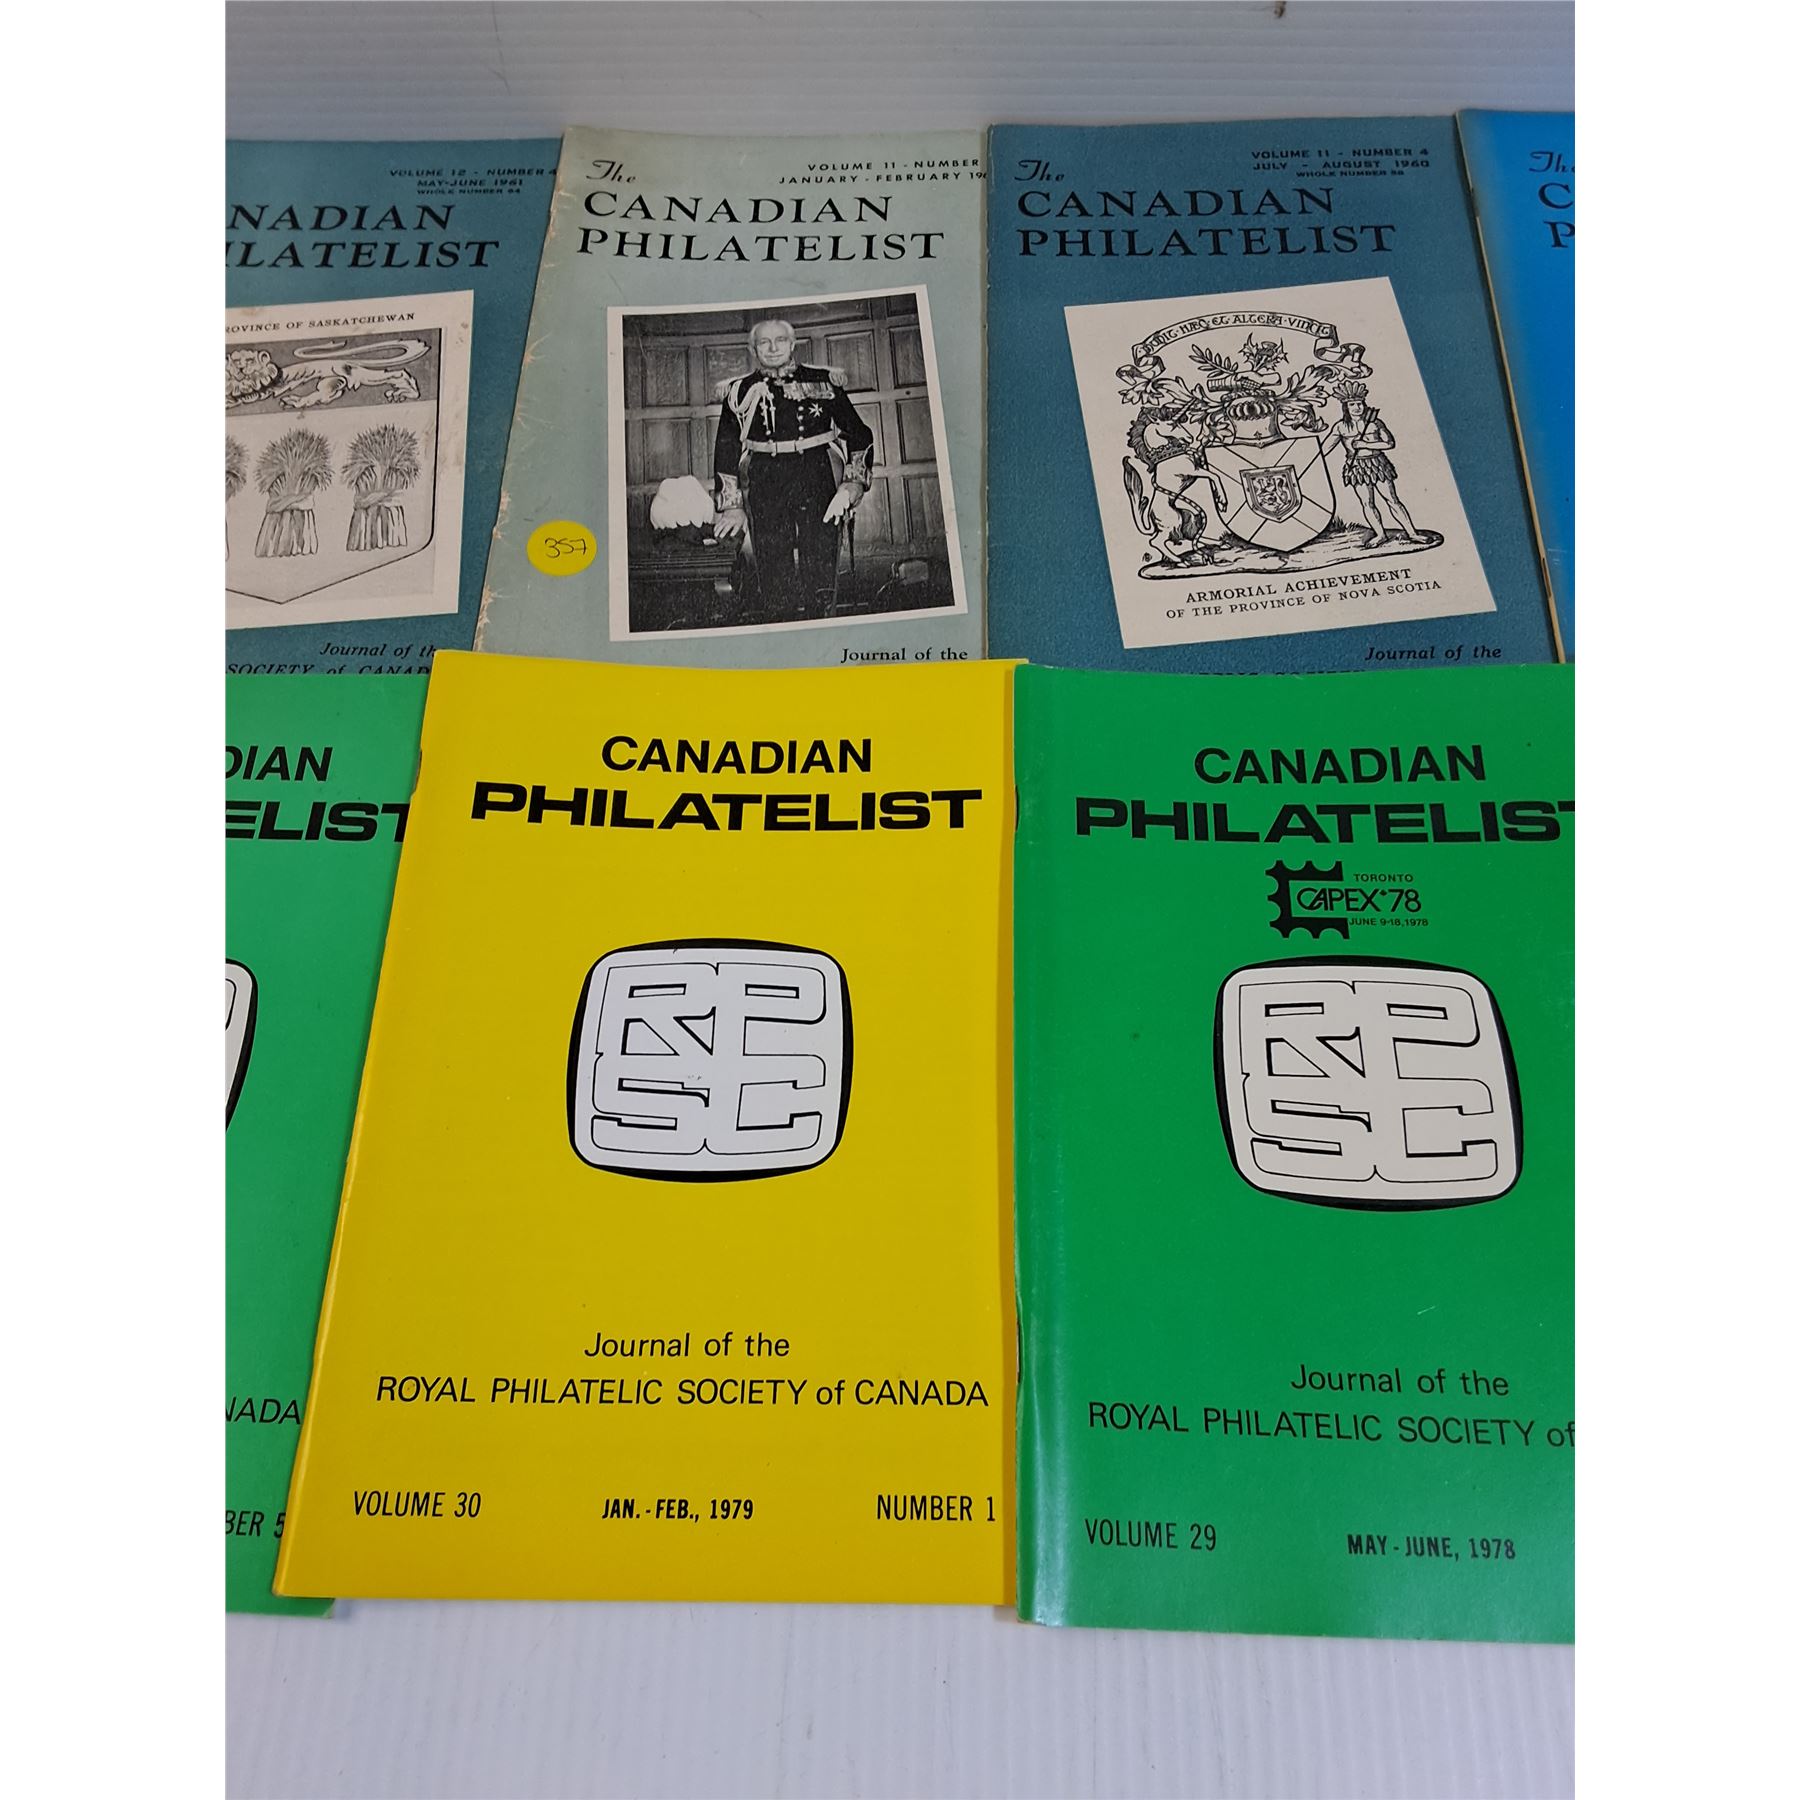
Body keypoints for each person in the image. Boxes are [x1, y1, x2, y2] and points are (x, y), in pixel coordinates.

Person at [713, 318, 875, 618]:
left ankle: (820, 623)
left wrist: (852, 483)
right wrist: (732, 506)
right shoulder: (739, 391)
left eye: (780, 340)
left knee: (821, 559)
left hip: (816, 474)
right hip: (765, 478)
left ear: (792, 344)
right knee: (773, 566)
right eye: (764, 342)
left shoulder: (823, 381)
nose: (773, 348)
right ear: (753, 349)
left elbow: (859, 434)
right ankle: (782, 624)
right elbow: (726, 448)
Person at [1326, 383, 1427, 546]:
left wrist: (1366, 445)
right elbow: (1326, 448)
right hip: (1356, 467)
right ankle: (1380, 534)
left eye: (1359, 403)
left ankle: (1412, 533)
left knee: (1392, 499)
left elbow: (1389, 443)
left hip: (1377, 464)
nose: (1357, 408)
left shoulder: (1375, 423)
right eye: (1352, 404)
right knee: (1367, 503)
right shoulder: (1340, 426)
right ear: (1346, 407)